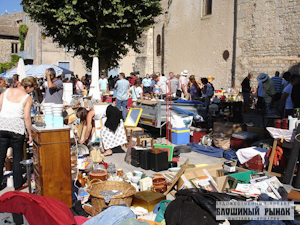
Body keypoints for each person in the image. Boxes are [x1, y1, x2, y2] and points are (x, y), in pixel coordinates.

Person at [0, 76, 38, 190]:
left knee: (1, 156)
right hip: (16, 128)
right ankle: (17, 183)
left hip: (2, 125)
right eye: (33, 89)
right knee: (17, 157)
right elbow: (26, 117)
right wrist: (30, 133)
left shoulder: (7, 91)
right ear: (29, 87)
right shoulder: (27, 97)